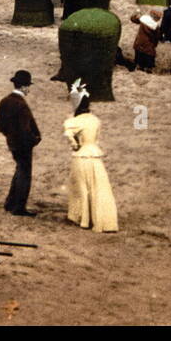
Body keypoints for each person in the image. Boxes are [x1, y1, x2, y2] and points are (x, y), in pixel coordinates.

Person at [63, 80, 118, 232]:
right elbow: (97, 138)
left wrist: (75, 145)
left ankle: (83, 219)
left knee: (81, 187)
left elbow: (67, 134)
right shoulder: (95, 120)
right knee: (99, 187)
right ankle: (101, 220)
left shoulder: (73, 121)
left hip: (81, 156)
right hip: (94, 155)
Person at [0, 70, 40, 216]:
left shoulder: (5, 101)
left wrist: (9, 135)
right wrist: (34, 140)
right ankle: (18, 207)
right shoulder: (21, 105)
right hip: (23, 145)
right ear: (24, 87)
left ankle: (10, 203)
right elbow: (25, 128)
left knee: (19, 171)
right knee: (24, 174)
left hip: (12, 142)